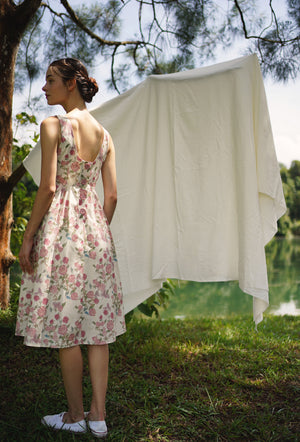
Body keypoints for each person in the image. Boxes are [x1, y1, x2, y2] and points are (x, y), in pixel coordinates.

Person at [15, 58, 126, 438]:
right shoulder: (106, 135)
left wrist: (29, 236)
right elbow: (111, 196)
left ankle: (76, 415)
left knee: (67, 327)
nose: (44, 88)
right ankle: (99, 417)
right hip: (96, 232)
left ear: (71, 83)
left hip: (61, 230)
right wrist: (94, 231)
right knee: (97, 328)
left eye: (50, 80)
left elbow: (47, 188)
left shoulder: (54, 126)